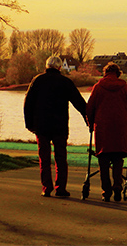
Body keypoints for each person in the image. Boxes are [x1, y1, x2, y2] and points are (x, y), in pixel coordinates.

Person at [24, 56, 88, 197]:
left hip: (41, 126)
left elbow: (28, 103)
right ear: (60, 67)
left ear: (46, 66)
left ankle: (46, 187)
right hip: (60, 126)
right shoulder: (65, 82)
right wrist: (88, 119)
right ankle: (60, 188)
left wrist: (29, 124)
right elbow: (79, 103)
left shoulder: (38, 80)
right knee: (60, 158)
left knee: (44, 157)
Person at [86, 62, 127, 202]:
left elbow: (90, 108)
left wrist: (90, 124)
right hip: (120, 127)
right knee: (118, 158)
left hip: (102, 127)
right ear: (118, 73)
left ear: (105, 72)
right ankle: (117, 187)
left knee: (103, 158)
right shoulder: (124, 87)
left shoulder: (98, 87)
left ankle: (106, 191)